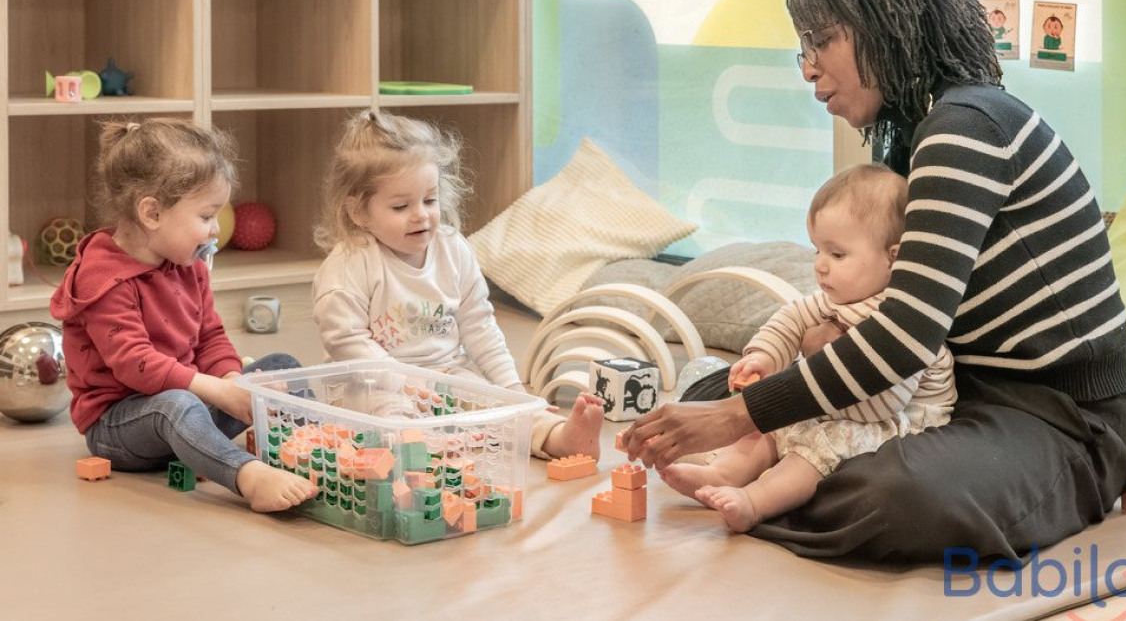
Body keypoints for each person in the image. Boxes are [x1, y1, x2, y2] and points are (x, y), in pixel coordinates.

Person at [622, 0, 1126, 563]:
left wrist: (742, 419)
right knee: (715, 392)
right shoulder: (914, 138)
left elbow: (904, 335)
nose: (809, 68)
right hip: (950, 391)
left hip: (1061, 421)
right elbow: (875, 317)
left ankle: (770, 482)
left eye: (821, 41)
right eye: (801, 48)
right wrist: (769, 375)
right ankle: (776, 475)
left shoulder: (966, 127)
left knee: (895, 492)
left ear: (885, 26)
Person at [661, 164, 955, 533]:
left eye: (837, 254)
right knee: (770, 420)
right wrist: (764, 358)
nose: (820, 266)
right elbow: (791, 319)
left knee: (818, 445)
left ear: (892, 257)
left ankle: (756, 502)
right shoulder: (841, 299)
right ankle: (724, 472)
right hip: (843, 403)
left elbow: (881, 403)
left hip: (894, 419)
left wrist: (809, 399)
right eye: (817, 250)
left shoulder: (906, 319)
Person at [50, 118, 317, 513]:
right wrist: (221, 393)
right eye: (206, 216)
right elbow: (136, 366)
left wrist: (232, 379)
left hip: (189, 404)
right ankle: (247, 476)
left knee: (282, 369)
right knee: (176, 405)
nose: (214, 231)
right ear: (152, 213)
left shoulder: (187, 262)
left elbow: (209, 335)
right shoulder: (105, 279)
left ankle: (317, 454)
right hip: (120, 426)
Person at [312, 109, 604, 461]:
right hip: (371, 382)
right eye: (401, 206)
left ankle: (559, 438)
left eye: (430, 200)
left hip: (445, 374)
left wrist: (513, 392)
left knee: (497, 407)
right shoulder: (350, 264)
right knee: (389, 415)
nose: (421, 214)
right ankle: (420, 455)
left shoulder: (453, 249)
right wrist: (404, 382)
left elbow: (479, 326)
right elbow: (345, 340)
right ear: (359, 212)